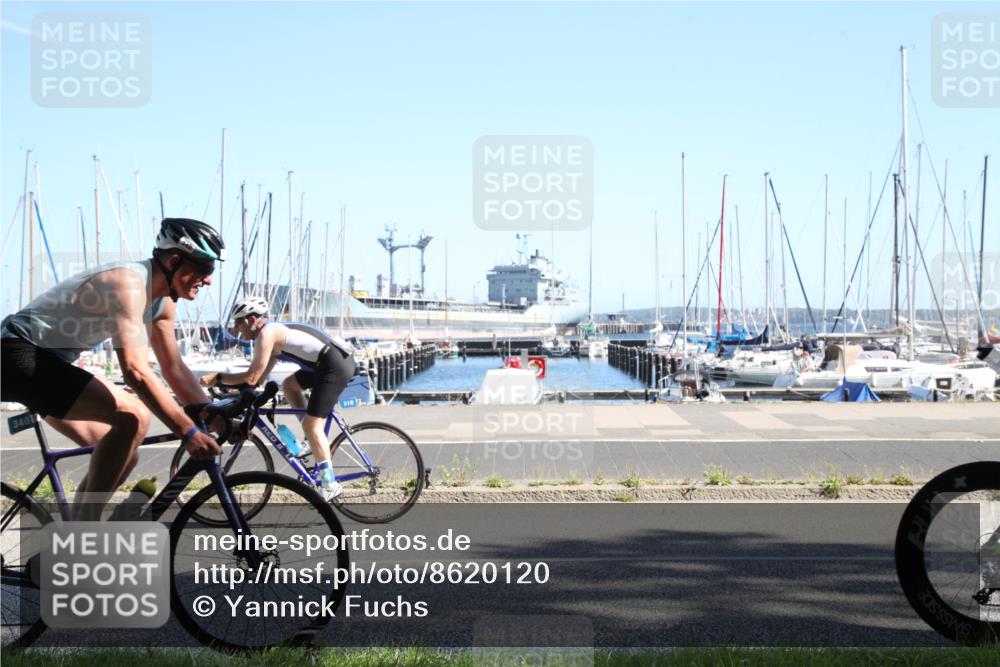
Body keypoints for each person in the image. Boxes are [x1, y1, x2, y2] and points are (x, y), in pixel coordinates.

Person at [1, 218, 225, 517]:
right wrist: (188, 432)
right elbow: (135, 370)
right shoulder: (128, 284)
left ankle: (72, 543)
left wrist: (214, 417)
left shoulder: (162, 303)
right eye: (204, 268)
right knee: (132, 416)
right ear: (174, 260)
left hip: (47, 365)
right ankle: (84, 538)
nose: (208, 279)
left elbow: (174, 368)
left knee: (122, 453)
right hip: (17, 354)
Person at [199, 296, 356, 500]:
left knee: (312, 424)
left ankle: (329, 484)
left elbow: (251, 376)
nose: (237, 329)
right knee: (289, 386)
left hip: (334, 365)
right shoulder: (270, 337)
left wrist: (218, 378)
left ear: (252, 319)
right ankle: (309, 443)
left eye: (238, 323)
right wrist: (233, 392)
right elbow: (256, 381)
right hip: (325, 364)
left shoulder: (268, 333)